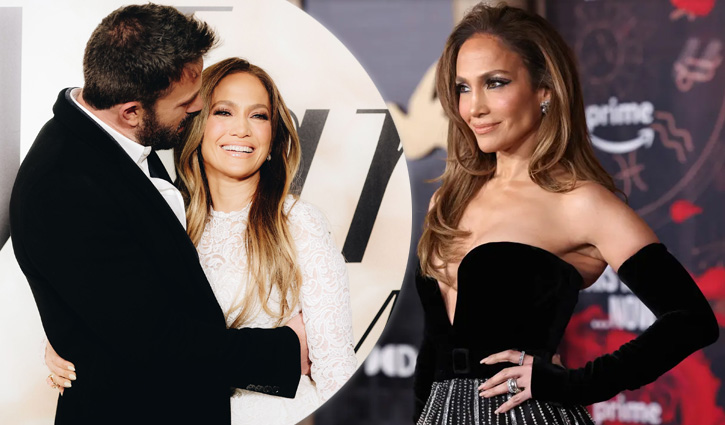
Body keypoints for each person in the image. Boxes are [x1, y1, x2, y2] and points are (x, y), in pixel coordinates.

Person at [413, 4, 718, 425]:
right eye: (463, 87)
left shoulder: (580, 203)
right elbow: (433, 350)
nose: (474, 107)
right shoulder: (446, 202)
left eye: (495, 83)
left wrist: (574, 385)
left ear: (545, 90)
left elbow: (692, 319)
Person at [10, 5, 308, 425]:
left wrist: (80, 324)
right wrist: (286, 351)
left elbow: (124, 297)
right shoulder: (63, 187)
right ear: (131, 111)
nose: (199, 106)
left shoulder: (108, 134)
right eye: (186, 102)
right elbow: (155, 340)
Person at [45, 57, 358, 425]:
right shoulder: (163, 217)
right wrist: (69, 338)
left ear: (273, 137)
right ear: (193, 124)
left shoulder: (299, 224)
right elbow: (130, 320)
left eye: (259, 116)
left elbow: (337, 369)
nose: (242, 129)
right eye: (224, 112)